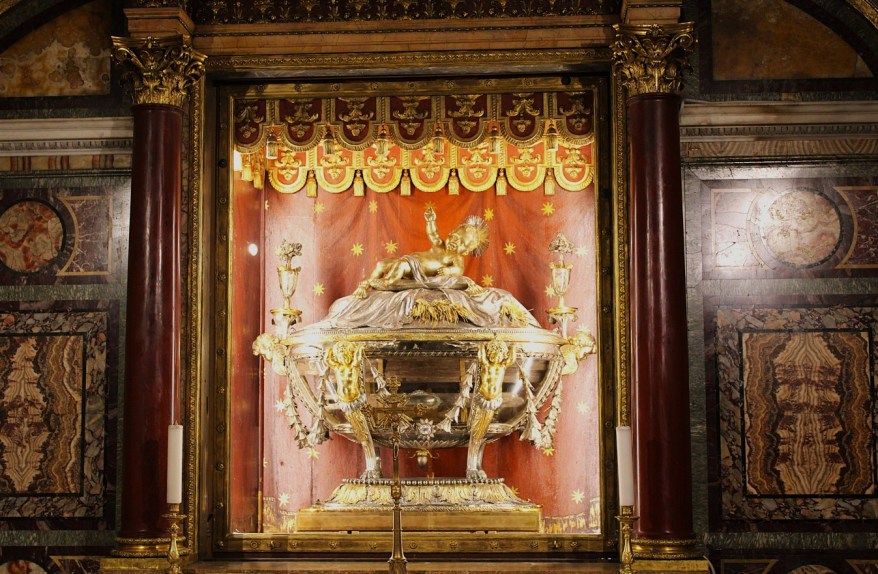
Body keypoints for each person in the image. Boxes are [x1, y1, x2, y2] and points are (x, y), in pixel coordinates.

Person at [353, 206, 489, 298]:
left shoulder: (456, 259)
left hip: (415, 269)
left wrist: (448, 272)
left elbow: (458, 271)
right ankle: (368, 284)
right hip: (409, 261)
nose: (455, 242)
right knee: (381, 265)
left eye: (461, 243)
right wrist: (430, 221)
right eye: (455, 237)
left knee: (400, 266)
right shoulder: (440, 245)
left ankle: (388, 283)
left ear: (465, 251)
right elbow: (433, 234)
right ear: (451, 233)